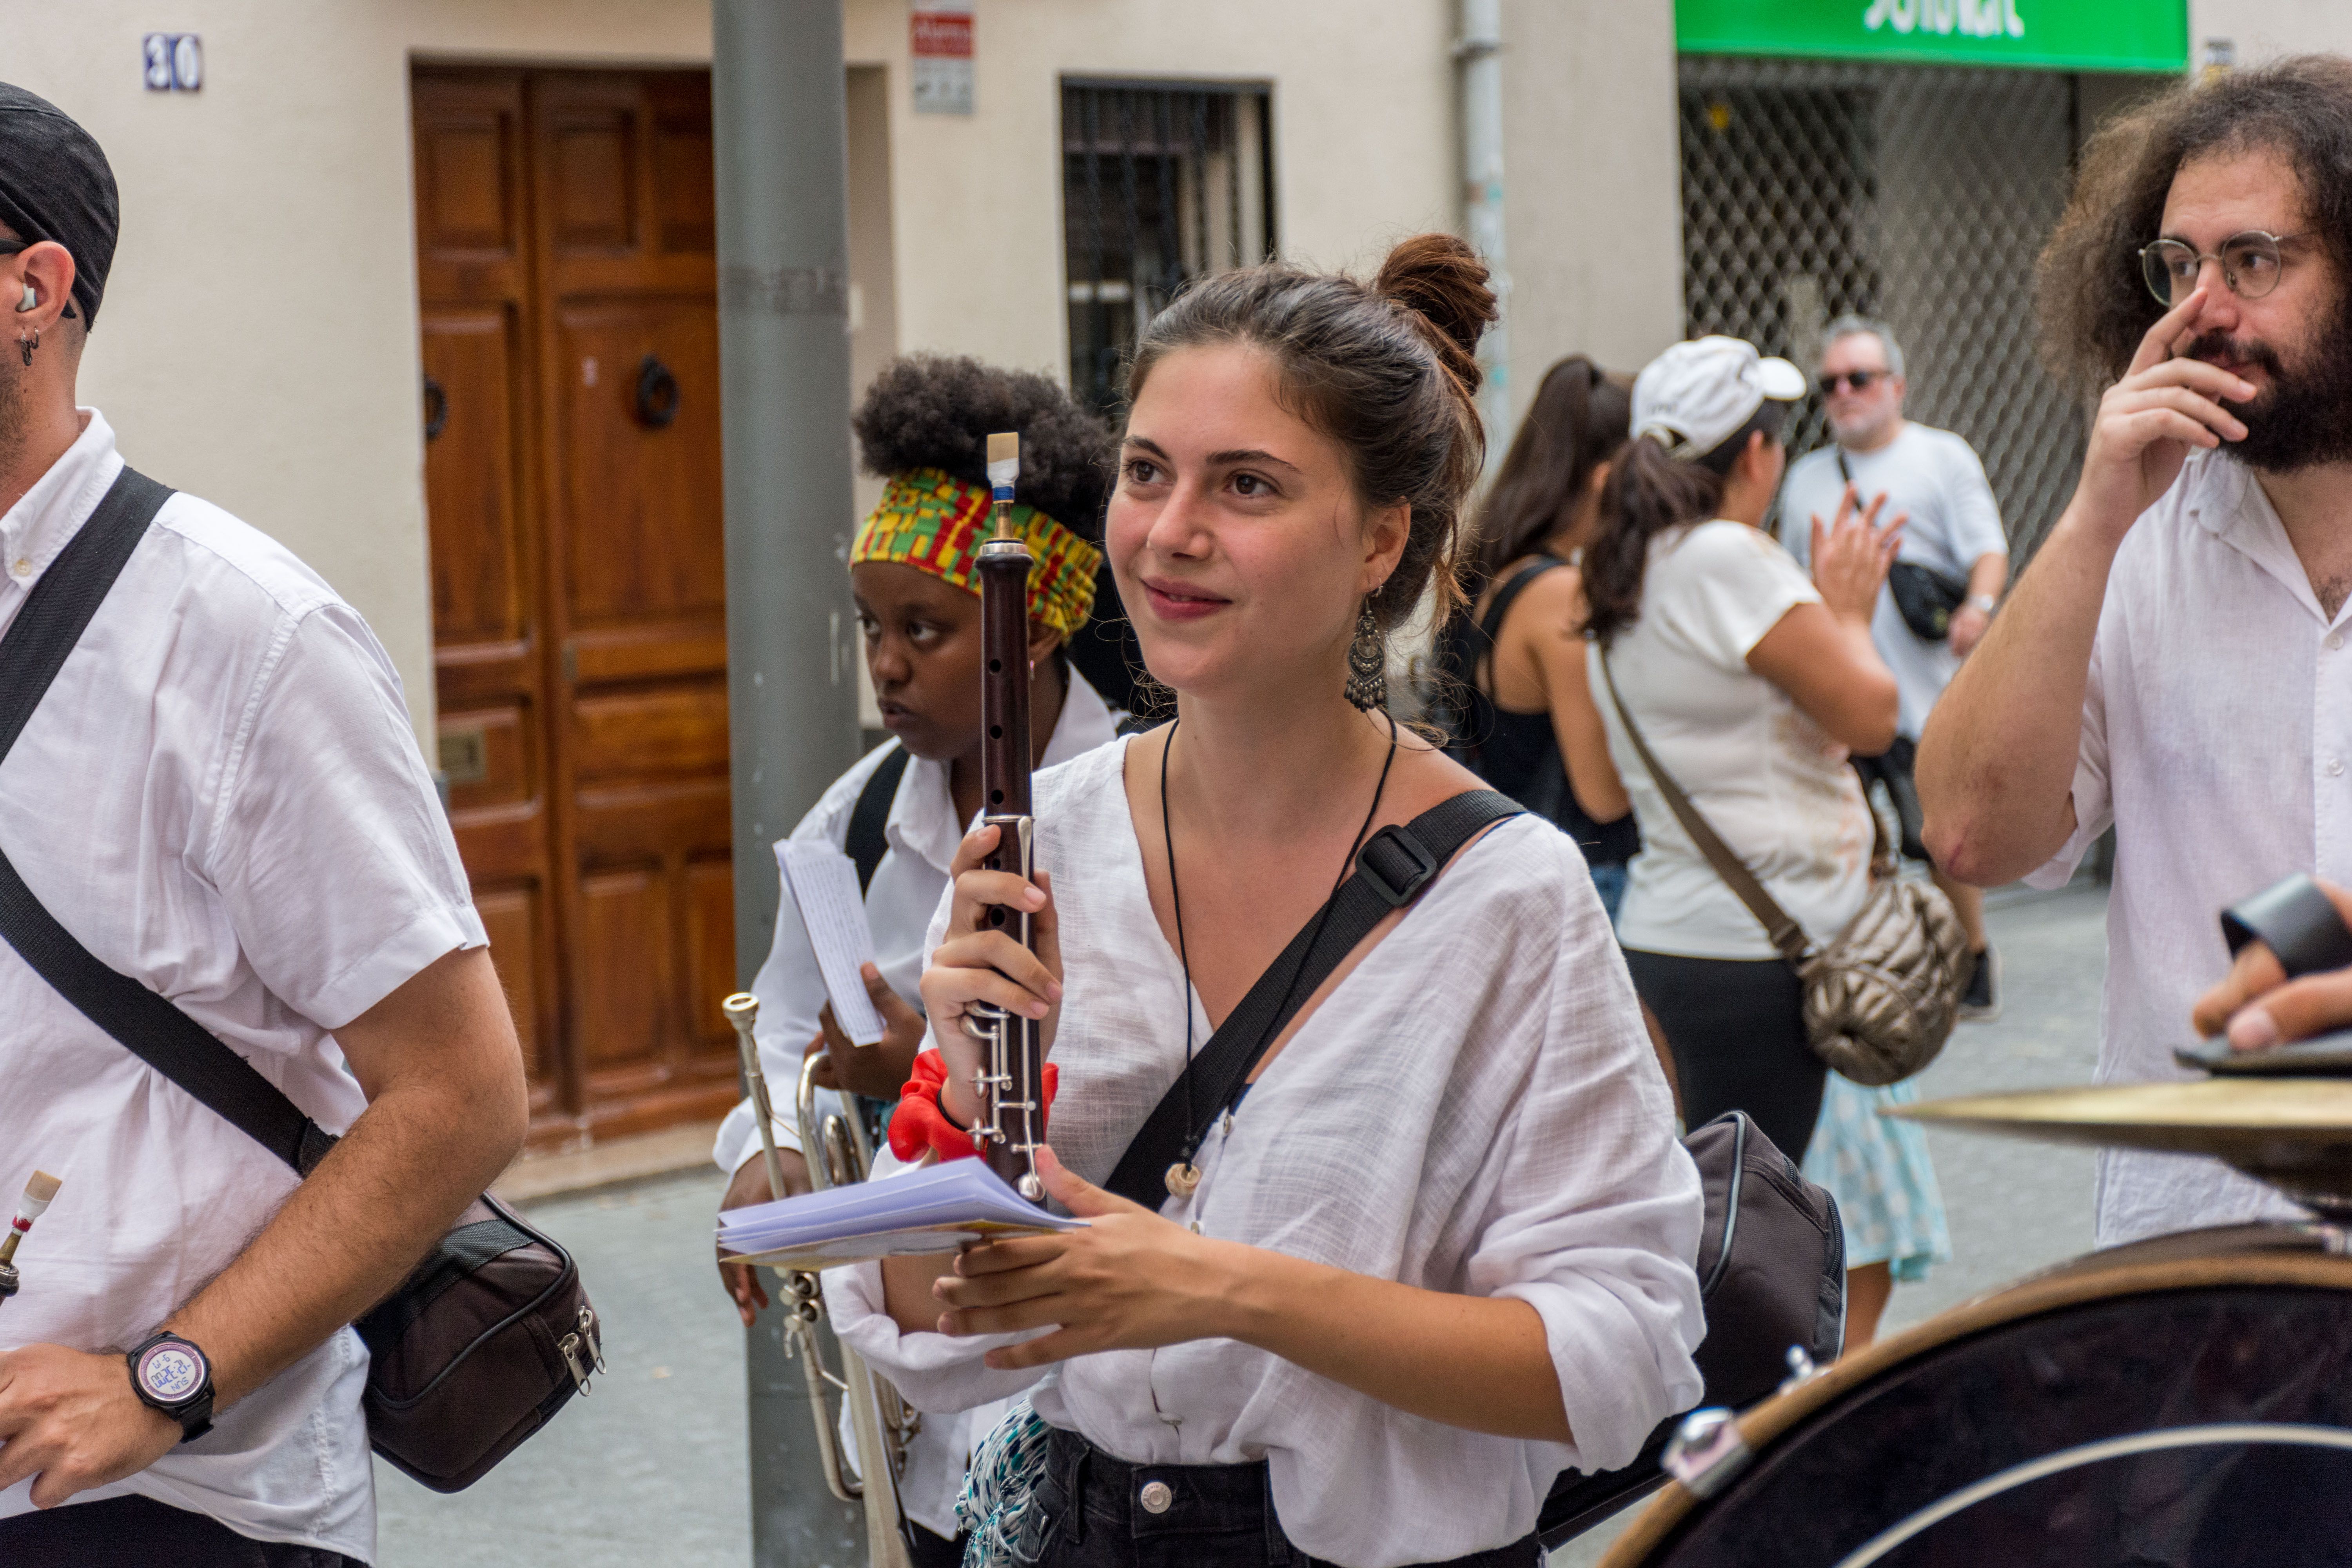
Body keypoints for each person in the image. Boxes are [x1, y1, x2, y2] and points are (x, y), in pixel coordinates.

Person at [827, 235, 1704, 1568]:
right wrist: (955, 1082)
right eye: (1145, 473)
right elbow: (935, 1331)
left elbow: (1622, 1352)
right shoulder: (1046, 833)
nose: (1173, 532)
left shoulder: (1505, 890)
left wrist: (1220, 1291)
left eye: (1247, 485)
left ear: (1380, 540)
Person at [0, 85, 527, 1563]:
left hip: (166, 1501)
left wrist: (166, 1380)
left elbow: (460, 1096)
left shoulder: (245, 636)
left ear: (33, 291)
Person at [1917, 55, 2352, 1244]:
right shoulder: (2137, 543)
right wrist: (2093, 518)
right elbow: (1971, 836)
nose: (2200, 307)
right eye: (2178, 265)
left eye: (2254, 261)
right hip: (2202, 1257)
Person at [711, 355, 1121, 1564]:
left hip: (1087, 1375)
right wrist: (770, 1150)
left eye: (927, 631)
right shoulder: (853, 814)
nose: (884, 666)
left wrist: (926, 1070)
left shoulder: (1143, 799)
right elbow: (781, 1023)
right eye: (872, 629)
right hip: (929, 1400)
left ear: (1032, 630)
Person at [1583, 335, 1903, 1165]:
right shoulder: (1727, 559)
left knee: (1702, 1218)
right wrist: (1852, 616)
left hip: (1669, 935)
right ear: (1757, 454)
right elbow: (1872, 717)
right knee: (1750, 1233)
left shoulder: (1627, 564)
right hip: (1760, 953)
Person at [1779, 316, 2010, 1019]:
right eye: (1830, 384)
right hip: (1837, 694)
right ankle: (1876, 970)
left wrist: (1979, 605)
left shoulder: (1943, 459)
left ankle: (1970, 957)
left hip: (1922, 694)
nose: (1844, 394)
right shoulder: (1805, 479)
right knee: (1851, 839)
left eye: (1860, 378)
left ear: (1898, 385)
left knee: (1936, 836)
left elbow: (1987, 549)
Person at [1441, 355, 1641, 918]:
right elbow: (1602, 796)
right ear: (1607, 482)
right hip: (1584, 878)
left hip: (1515, 864)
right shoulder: (1560, 593)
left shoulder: (1491, 571)